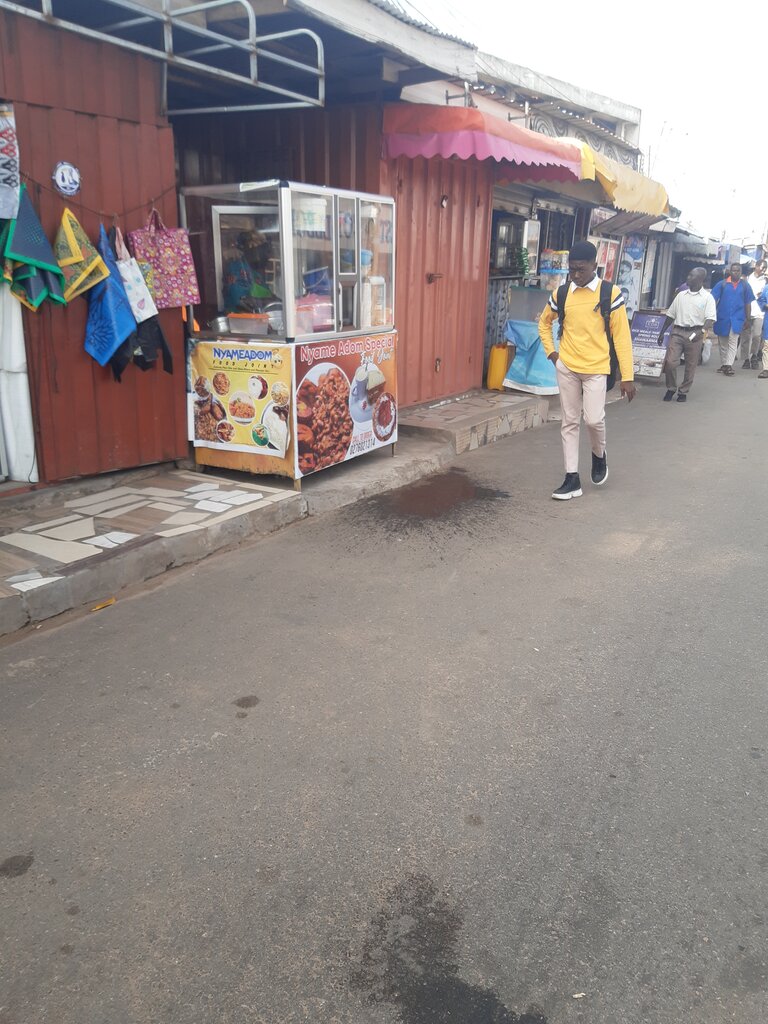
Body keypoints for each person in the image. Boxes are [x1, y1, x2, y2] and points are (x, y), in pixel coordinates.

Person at [538, 240, 635, 500]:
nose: (576, 275)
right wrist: (553, 354)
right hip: (567, 366)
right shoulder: (562, 293)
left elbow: (622, 337)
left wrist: (627, 376)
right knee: (569, 421)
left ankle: (599, 454)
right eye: (572, 270)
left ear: (595, 265)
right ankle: (572, 478)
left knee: (593, 419)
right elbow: (544, 323)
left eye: (581, 270)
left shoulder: (609, 293)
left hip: (596, 368)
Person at [655, 267, 716, 402]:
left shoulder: (707, 298)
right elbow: (670, 315)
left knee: (690, 364)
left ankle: (683, 391)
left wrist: (701, 331)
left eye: (691, 275)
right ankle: (671, 388)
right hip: (677, 332)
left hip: (696, 332)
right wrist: (662, 332)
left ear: (700, 279)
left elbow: (710, 318)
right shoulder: (681, 296)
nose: (688, 278)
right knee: (670, 362)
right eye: (689, 275)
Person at [711, 263, 755, 375]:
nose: (736, 272)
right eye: (734, 270)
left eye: (738, 271)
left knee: (733, 341)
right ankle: (724, 363)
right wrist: (711, 315)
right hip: (722, 318)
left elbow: (748, 303)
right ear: (730, 271)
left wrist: (748, 319)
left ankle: (728, 365)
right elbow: (712, 300)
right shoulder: (722, 284)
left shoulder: (745, 286)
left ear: (741, 272)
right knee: (723, 343)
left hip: (738, 318)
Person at [740, 259, 768, 369]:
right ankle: (745, 359)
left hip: (759, 312)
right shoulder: (747, 279)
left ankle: (754, 356)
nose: (764, 270)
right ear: (756, 266)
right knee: (745, 337)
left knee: (757, 336)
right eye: (762, 267)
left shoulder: (765, 281)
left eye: (765, 268)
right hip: (747, 311)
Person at [758, 283, 768, 379]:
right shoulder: (766, 288)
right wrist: (765, 305)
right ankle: (766, 369)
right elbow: (761, 300)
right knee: (766, 346)